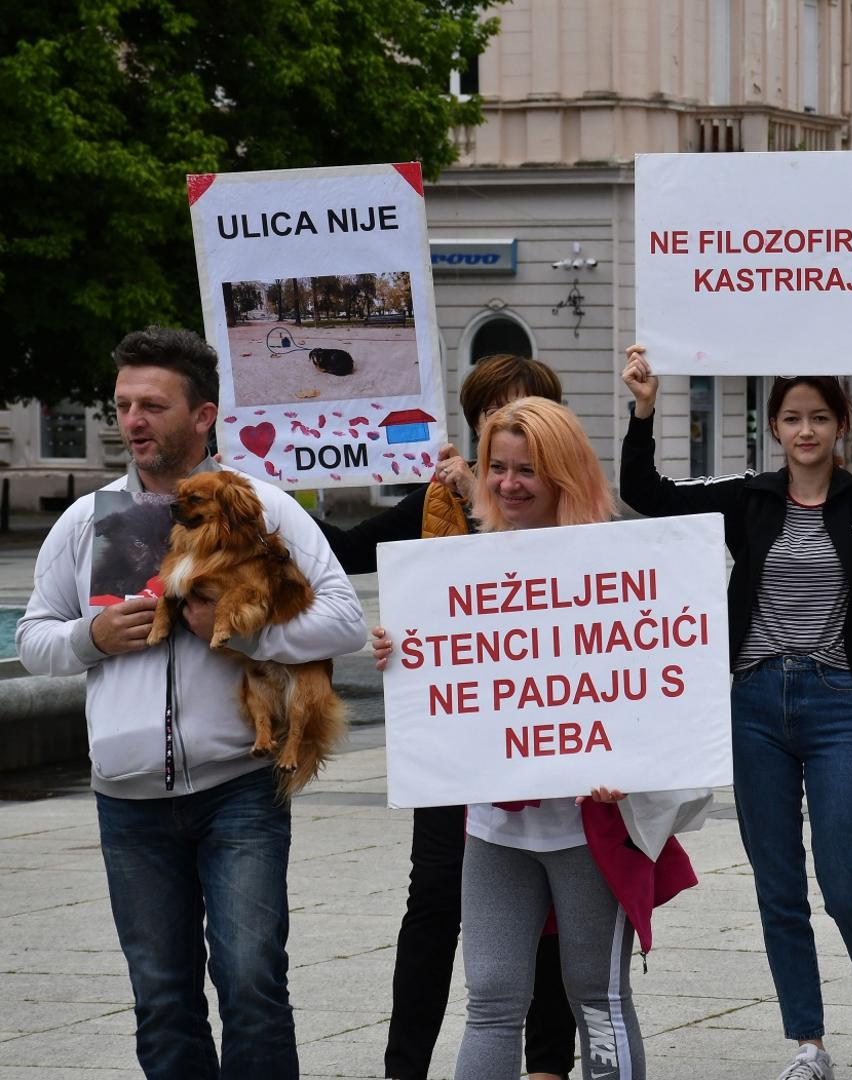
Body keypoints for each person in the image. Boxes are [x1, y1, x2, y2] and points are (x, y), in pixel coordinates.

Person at [618, 342, 852, 1080]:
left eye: (818, 417)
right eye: (791, 418)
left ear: (841, 425)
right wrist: (644, 410)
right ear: (774, 427)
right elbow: (646, 493)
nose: (805, 430)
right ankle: (807, 1045)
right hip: (754, 703)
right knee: (778, 887)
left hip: (837, 700)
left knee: (847, 882)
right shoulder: (748, 497)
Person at [17, 327, 367, 1078]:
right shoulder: (87, 519)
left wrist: (247, 633)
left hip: (238, 788)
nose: (132, 421)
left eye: (152, 405)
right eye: (123, 405)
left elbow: (345, 621)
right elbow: (34, 640)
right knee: (163, 999)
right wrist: (91, 637)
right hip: (128, 801)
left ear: (203, 415)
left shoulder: (261, 506)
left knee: (252, 987)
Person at [370, 397, 705, 1080]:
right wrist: (403, 653)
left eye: (527, 470)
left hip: (588, 828)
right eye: (497, 467)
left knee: (597, 997)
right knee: (491, 1002)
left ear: (564, 475)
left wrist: (631, 764)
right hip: (496, 827)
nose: (508, 483)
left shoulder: (619, 564)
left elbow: (661, 680)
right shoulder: (460, 569)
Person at [315, 353, 578, 1080]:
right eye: (493, 416)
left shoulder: (574, 513)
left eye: (524, 414)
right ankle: (406, 1067)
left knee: (553, 909)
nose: (508, 432)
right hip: (454, 742)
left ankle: (547, 1066)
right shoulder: (436, 505)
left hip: (544, 742)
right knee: (433, 899)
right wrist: (264, 493)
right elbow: (344, 551)